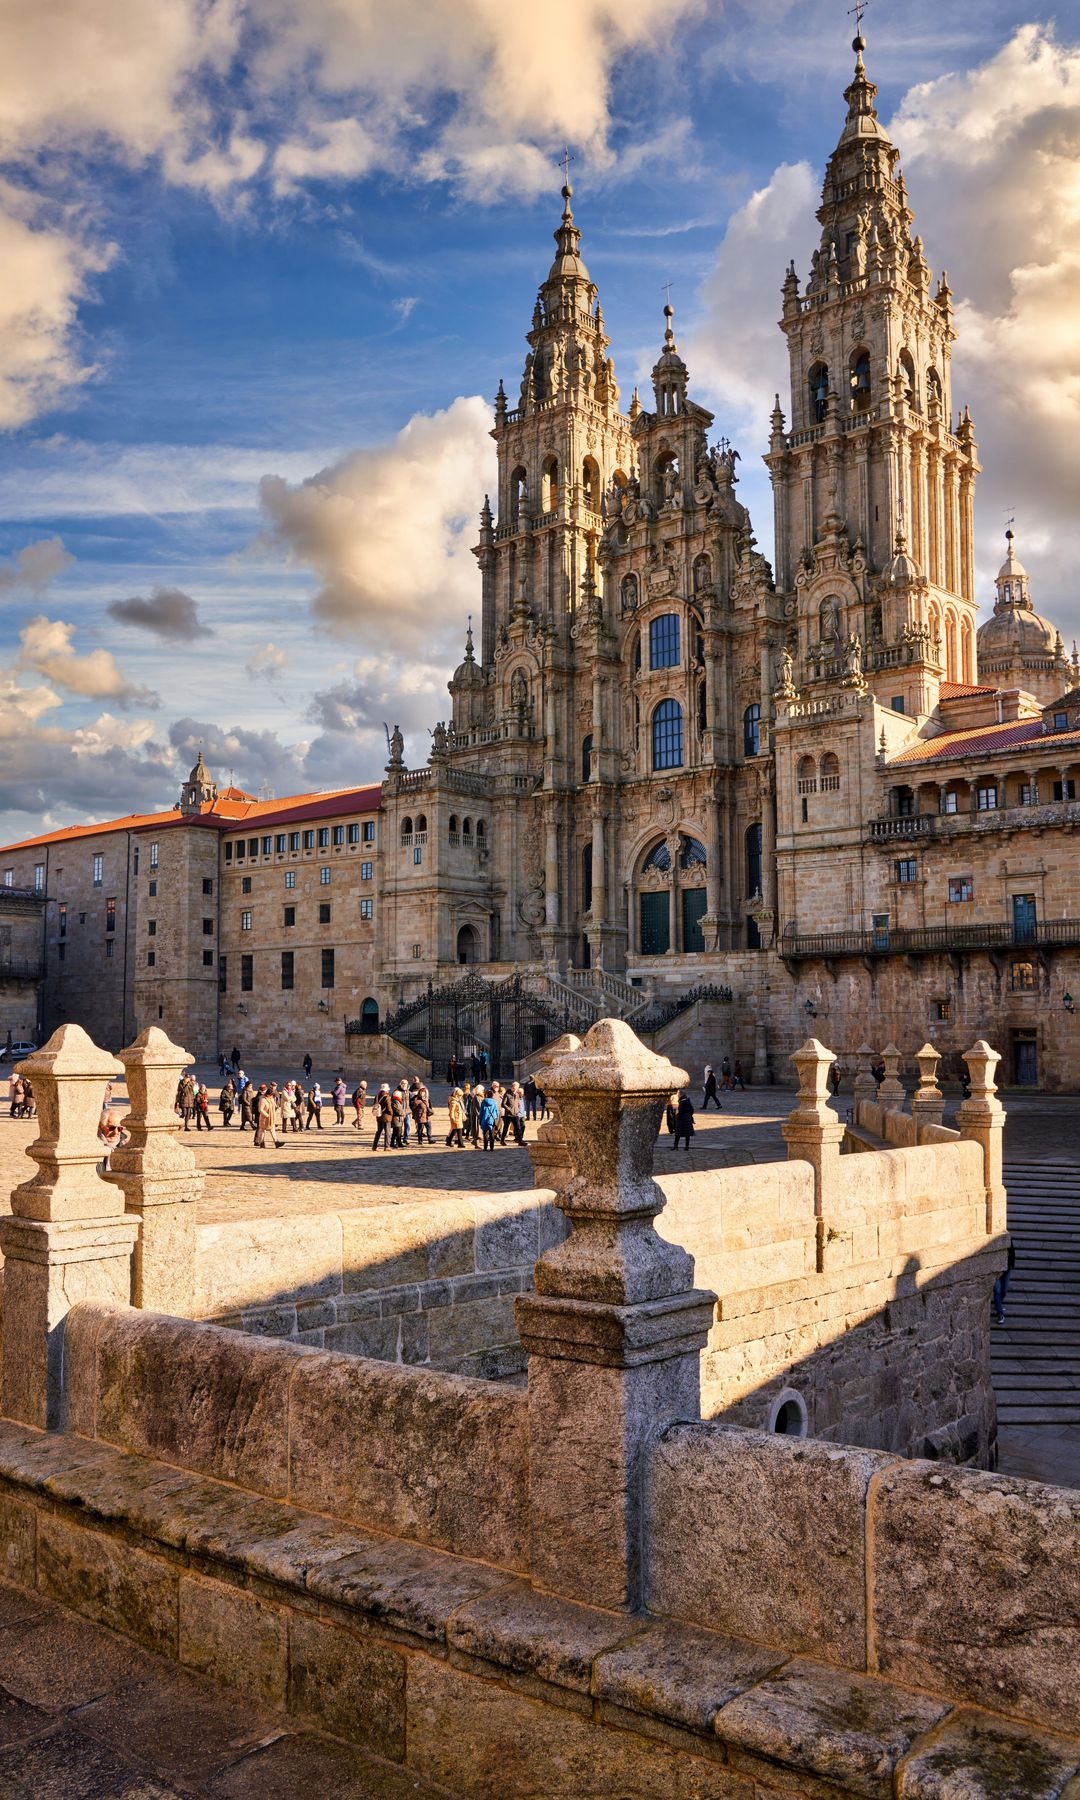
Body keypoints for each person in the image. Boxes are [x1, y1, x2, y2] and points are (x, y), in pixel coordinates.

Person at [993, 1240, 1016, 1323]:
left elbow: (1012, 1252)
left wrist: (1011, 1265)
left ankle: (999, 1303)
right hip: (996, 1272)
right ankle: (1000, 1314)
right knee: (997, 1292)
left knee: (1004, 1291)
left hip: (1006, 1269)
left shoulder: (1008, 1239)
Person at [254, 1084, 283, 1149]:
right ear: (268, 1094)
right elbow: (260, 1109)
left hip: (271, 1118)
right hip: (264, 1118)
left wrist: (276, 1106)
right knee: (262, 1130)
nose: (272, 1096)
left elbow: (274, 1105)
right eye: (271, 1094)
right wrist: (267, 1115)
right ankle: (262, 1143)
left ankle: (276, 1142)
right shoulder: (263, 1100)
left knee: (272, 1130)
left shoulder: (271, 1099)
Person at [372, 1084, 393, 1151]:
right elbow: (389, 1108)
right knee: (387, 1132)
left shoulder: (377, 1096)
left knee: (378, 1131)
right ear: (386, 1090)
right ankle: (387, 1146)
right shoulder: (387, 1097)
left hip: (379, 1116)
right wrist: (391, 1113)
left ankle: (374, 1146)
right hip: (386, 1117)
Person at [479, 1088, 499, 1152]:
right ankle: (492, 1148)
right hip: (492, 1120)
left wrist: (480, 1120)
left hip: (484, 1119)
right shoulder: (494, 1102)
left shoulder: (483, 1101)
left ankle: (485, 1148)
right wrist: (496, 1119)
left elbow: (481, 1112)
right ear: (492, 1095)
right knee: (492, 1134)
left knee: (485, 1134)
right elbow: (496, 1112)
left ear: (486, 1095)